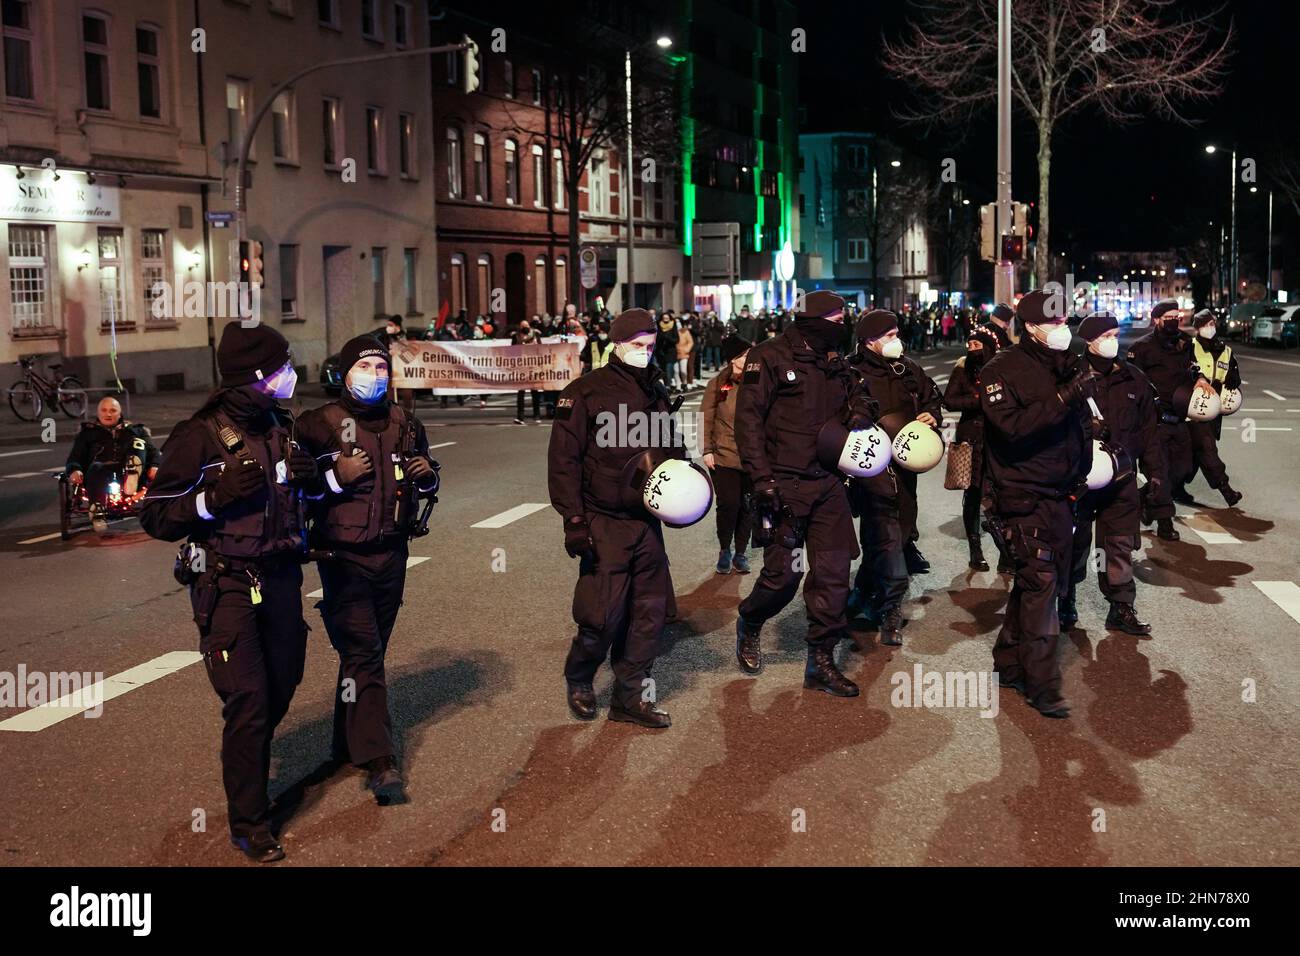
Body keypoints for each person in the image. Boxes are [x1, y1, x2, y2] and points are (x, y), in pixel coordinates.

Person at [140, 321, 317, 861]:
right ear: (256, 376)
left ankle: (253, 760)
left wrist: (313, 481)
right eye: (282, 368)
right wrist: (213, 499)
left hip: (282, 578)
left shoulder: (282, 426)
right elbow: (156, 516)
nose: (291, 375)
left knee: (283, 683)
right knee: (249, 701)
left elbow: (299, 500)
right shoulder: (198, 436)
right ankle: (250, 822)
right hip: (228, 583)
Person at [295, 333, 440, 804]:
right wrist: (337, 478)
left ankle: (346, 743)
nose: (375, 377)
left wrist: (427, 474)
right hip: (342, 559)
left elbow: (430, 476)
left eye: (381, 368)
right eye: (365, 368)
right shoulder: (316, 426)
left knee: (366, 654)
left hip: (393, 553)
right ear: (344, 372)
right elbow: (295, 495)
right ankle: (380, 761)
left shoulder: (406, 422)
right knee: (364, 653)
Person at [733, 290, 875, 694]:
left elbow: (862, 393)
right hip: (783, 488)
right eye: (836, 317)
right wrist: (761, 480)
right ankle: (752, 619)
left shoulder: (836, 360)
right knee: (784, 577)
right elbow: (748, 422)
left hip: (828, 485)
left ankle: (821, 661)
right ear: (814, 320)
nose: (843, 323)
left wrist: (862, 411)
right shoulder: (770, 356)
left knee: (833, 576)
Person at [547, 308, 683, 729]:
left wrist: (682, 471)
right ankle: (581, 676)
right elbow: (563, 461)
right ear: (618, 346)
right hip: (601, 518)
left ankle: (631, 696)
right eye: (637, 345)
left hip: (645, 520)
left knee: (649, 611)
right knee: (602, 614)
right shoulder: (584, 392)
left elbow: (668, 445)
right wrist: (573, 520)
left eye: (649, 346)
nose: (644, 352)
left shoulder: (655, 391)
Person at [979, 290, 1092, 719]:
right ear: (1029, 326)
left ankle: (1008, 659)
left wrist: (1084, 466)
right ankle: (1042, 684)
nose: (1062, 328)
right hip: (1020, 494)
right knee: (1042, 583)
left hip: (1062, 493)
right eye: (1053, 321)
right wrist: (1064, 398)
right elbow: (1012, 428)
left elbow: (1080, 425)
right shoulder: (1001, 370)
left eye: (1065, 320)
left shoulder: (1068, 363)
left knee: (1037, 583)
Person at [1061, 312, 1161, 636]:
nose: (1112, 341)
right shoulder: (1070, 376)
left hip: (1121, 478)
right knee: (1075, 542)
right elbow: (1048, 421)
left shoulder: (1133, 379)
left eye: (1116, 334)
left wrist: (1155, 474)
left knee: (1118, 543)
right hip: (1079, 476)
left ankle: (1120, 606)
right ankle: (1066, 600)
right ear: (1089, 340)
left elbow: (1149, 431)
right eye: (1106, 335)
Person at [845, 309, 942, 645]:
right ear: (870, 339)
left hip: (905, 472)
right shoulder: (848, 371)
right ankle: (888, 609)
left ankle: (863, 593)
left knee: (896, 536)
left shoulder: (907, 369)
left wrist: (932, 416)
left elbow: (931, 399)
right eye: (889, 334)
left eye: (896, 333)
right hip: (867, 471)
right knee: (882, 535)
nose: (895, 340)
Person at [1126, 299, 1214, 541]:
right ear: (1156, 320)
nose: (1175, 320)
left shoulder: (1185, 344)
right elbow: (1130, 380)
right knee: (1161, 472)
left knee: (1183, 469)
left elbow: (1194, 367)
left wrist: (1201, 378)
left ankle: (1145, 497)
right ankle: (1165, 524)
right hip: (1154, 422)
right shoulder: (1141, 348)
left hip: (1179, 419)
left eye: (1178, 316)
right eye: (1169, 317)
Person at [942, 327, 1002, 571]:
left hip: (998, 439)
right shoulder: (962, 367)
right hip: (970, 438)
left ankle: (1006, 551)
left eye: (977, 345)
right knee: (973, 494)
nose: (971, 349)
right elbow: (949, 400)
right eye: (969, 344)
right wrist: (979, 401)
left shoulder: (1000, 368)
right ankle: (975, 550)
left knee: (998, 494)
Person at [700, 335, 753, 575]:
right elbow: (706, 418)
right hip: (724, 454)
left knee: (748, 506)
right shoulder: (719, 384)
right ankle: (724, 549)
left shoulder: (759, 381)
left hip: (753, 457)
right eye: (744, 354)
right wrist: (707, 450)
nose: (748, 358)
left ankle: (740, 552)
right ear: (733, 359)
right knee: (728, 504)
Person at [1184, 308, 1243, 506]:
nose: (1210, 328)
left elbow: (1232, 371)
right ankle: (1226, 490)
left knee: (1193, 455)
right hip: (1195, 407)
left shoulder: (1225, 349)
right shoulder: (1190, 347)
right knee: (1207, 449)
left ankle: (1171, 488)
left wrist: (1234, 378)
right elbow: (1184, 372)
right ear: (1197, 328)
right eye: (1205, 325)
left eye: (1212, 324)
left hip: (1215, 409)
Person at [65, 396, 160, 503]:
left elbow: (153, 452)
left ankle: (132, 473)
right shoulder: (87, 433)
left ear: (120, 414)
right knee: (96, 467)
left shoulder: (136, 430)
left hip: (127, 470)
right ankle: (97, 509)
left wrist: (154, 466)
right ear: (98, 413)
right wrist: (74, 470)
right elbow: (75, 455)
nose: (108, 414)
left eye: (113, 410)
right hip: (98, 473)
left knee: (137, 443)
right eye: (104, 410)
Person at [512, 319, 543, 423]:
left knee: (535, 392)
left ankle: (537, 415)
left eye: (526, 325)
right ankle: (520, 416)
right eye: (522, 326)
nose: (525, 327)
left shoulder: (535, 334)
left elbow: (541, 348)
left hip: (533, 367)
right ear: (520, 328)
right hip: (521, 368)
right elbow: (512, 350)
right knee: (521, 392)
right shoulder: (516, 336)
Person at [654, 312, 679, 390]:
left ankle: (668, 386)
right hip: (661, 352)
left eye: (667, 318)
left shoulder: (673, 326)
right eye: (664, 318)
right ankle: (665, 385)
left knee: (669, 368)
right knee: (663, 369)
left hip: (671, 352)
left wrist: (668, 338)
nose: (665, 320)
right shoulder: (659, 326)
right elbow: (656, 339)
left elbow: (676, 339)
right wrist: (661, 337)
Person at [675, 317, 694, 390]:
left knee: (683, 370)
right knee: (676, 371)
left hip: (683, 353)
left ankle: (684, 382)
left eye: (678, 322)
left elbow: (690, 342)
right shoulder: (673, 332)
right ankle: (678, 385)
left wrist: (686, 349)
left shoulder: (685, 331)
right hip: (674, 353)